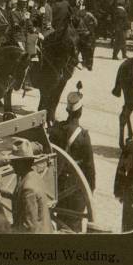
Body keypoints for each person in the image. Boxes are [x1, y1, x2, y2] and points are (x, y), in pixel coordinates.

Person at [48, 86, 96, 232]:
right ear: (80, 112)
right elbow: (89, 168)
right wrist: (90, 191)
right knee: (72, 225)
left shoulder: (56, 129)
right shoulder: (83, 137)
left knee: (59, 219)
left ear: (68, 110)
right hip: (75, 189)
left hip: (57, 185)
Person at [7, 140, 54, 233]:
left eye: (14, 161)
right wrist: (3, 191)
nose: (11, 164)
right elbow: (21, 199)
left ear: (22, 163)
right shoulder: (34, 176)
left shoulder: (28, 188)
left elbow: (30, 227)